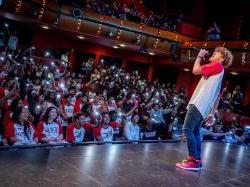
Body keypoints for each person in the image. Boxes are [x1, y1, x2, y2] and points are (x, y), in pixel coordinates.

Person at [176, 47, 233, 171]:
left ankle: (193, 161)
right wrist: (212, 113)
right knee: (195, 131)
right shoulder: (220, 72)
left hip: (199, 103)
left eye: (217, 52)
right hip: (204, 106)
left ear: (222, 58)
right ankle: (197, 160)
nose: (214, 52)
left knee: (187, 129)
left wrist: (199, 56)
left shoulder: (217, 65)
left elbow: (195, 70)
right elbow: (217, 96)